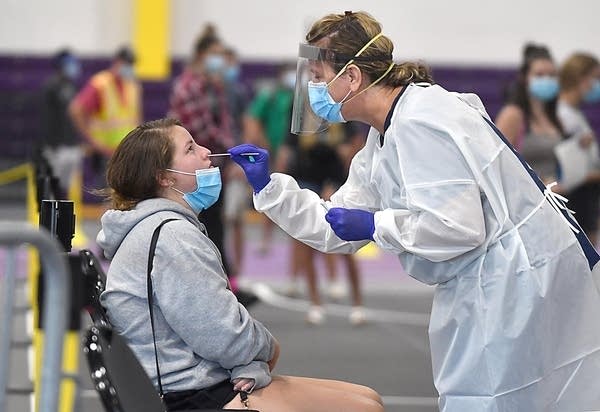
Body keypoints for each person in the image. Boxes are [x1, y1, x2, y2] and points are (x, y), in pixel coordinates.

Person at [228, 10, 600, 411]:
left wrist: (377, 225)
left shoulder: (421, 119)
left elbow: (457, 227)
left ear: (352, 77)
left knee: (507, 400)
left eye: (319, 75)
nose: (314, 87)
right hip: (490, 282)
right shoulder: (386, 131)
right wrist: (270, 189)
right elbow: (337, 221)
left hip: (517, 282)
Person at [96, 118, 384, 412]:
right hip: (187, 395)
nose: (207, 151)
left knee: (368, 399)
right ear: (165, 177)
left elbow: (216, 331)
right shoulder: (172, 236)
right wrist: (268, 348)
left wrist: (251, 362)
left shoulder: (162, 227)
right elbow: (223, 335)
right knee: (366, 408)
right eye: (191, 148)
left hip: (190, 382)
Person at [69, 46, 141, 188]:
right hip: (105, 153)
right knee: (109, 197)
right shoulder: (100, 84)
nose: (129, 68)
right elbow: (76, 110)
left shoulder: (132, 85)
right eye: (126, 63)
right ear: (117, 62)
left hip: (128, 151)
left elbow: (135, 117)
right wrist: (91, 140)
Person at [243, 64, 297, 255]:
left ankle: (298, 238)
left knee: (294, 195)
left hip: (293, 152)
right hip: (272, 154)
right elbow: (252, 119)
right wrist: (262, 147)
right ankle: (266, 238)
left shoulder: (296, 97)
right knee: (271, 192)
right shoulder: (270, 95)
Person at [495, 44, 564, 185]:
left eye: (551, 75)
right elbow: (497, 163)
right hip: (526, 198)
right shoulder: (513, 114)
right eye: (539, 75)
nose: (547, 79)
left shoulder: (553, 116)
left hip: (554, 197)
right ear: (525, 78)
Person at [557, 52, 600, 246]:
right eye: (595, 78)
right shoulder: (563, 114)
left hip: (584, 199)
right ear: (580, 78)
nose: (596, 85)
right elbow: (568, 172)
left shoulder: (574, 114)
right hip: (573, 200)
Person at [40, 48, 82, 198]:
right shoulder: (51, 87)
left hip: (70, 144)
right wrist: (51, 145)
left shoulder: (72, 86)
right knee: (54, 187)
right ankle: (52, 219)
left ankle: (62, 218)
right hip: (56, 146)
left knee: (65, 189)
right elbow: (47, 119)